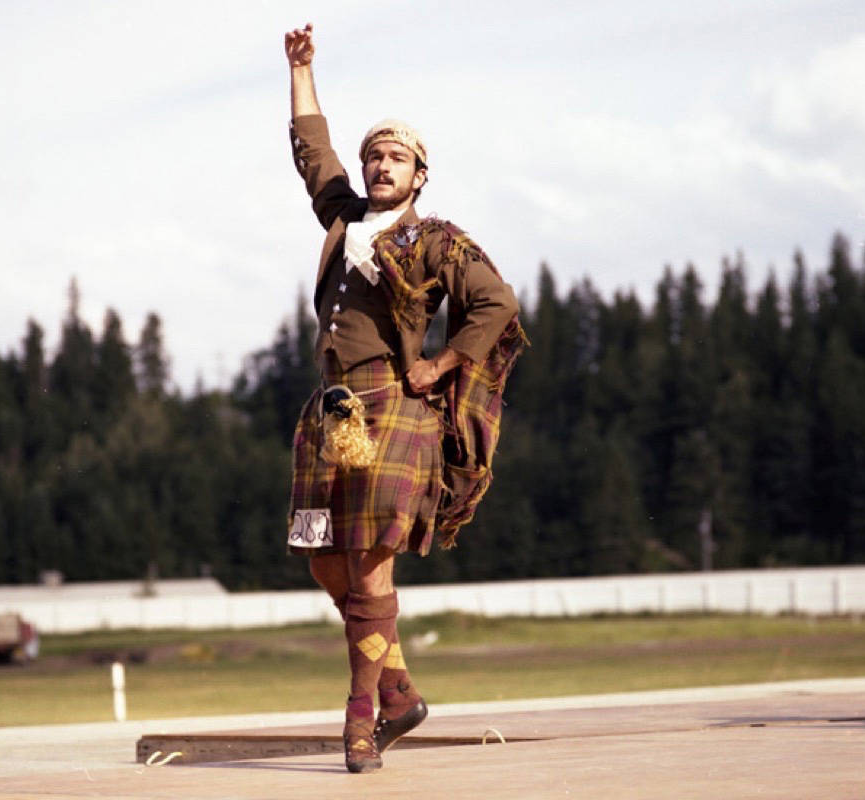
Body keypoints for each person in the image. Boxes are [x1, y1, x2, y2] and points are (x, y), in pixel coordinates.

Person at [283, 22, 526, 774]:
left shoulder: (437, 241)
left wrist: (444, 362)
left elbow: (498, 302)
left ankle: (360, 724)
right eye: (373, 157)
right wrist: (301, 70)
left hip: (396, 409)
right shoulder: (344, 218)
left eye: (396, 158)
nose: (380, 166)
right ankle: (400, 692)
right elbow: (310, 152)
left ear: (419, 176)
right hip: (335, 412)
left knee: (370, 566)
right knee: (326, 562)